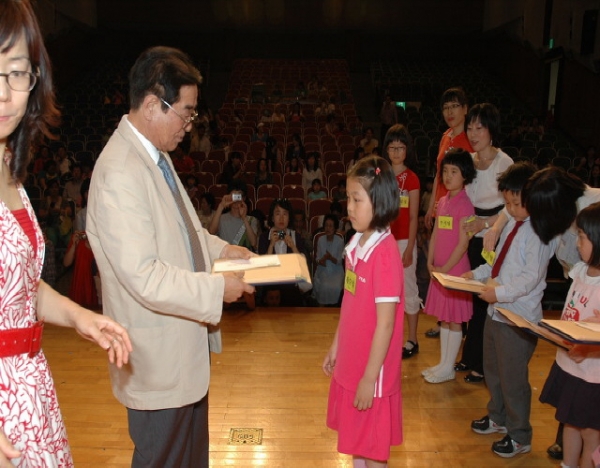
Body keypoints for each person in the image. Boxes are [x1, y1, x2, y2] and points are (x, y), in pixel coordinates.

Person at [86, 46, 254, 468]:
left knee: (190, 459)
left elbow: (184, 232)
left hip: (181, 348)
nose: (189, 125)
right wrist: (217, 289)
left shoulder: (155, 155)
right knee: (163, 458)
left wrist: (223, 250)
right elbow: (144, 276)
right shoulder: (120, 171)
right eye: (186, 113)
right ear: (151, 105)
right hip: (157, 358)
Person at [0, 1, 131, 465]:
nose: (4, 93)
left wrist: (79, 317)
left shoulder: (11, 172)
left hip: (28, 388)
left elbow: (16, 290)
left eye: (17, 72)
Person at [484, 166, 600, 460]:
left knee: (589, 402)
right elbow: (512, 209)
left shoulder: (590, 212)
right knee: (575, 390)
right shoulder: (555, 203)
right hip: (580, 293)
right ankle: (569, 445)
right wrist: (495, 227)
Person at [466, 162, 557, 458]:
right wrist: (476, 274)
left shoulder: (539, 232)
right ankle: (498, 417)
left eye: (516, 204)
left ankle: (519, 435)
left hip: (518, 318)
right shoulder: (512, 225)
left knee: (513, 379)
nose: (512, 209)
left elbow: (530, 278)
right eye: (507, 204)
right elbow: (498, 263)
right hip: (497, 312)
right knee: (493, 369)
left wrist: (498, 293)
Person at [322, 155, 404, 467]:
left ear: (379, 201)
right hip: (353, 359)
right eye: (348, 198)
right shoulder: (356, 243)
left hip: (373, 370)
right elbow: (349, 302)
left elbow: (386, 325)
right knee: (358, 440)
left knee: (372, 448)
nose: (350, 207)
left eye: (357, 199)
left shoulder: (385, 255)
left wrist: (370, 379)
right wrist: (336, 345)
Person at [539, 202, 600, 468]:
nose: (577, 243)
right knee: (570, 423)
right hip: (569, 363)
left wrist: (588, 347)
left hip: (591, 373)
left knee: (590, 433)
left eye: (583, 238)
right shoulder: (580, 270)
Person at [457, 103, 514, 383]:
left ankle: (481, 364)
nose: (473, 133)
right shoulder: (468, 160)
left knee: (486, 299)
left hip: (494, 237)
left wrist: (485, 224)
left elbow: (510, 207)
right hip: (470, 236)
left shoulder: (504, 163)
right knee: (471, 297)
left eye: (479, 128)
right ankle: (470, 356)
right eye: (470, 128)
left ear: (491, 130)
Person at [421, 149, 476, 383]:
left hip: (455, 271)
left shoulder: (466, 205)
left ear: (465, 175)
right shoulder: (442, 201)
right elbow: (435, 234)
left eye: (454, 171)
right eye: (445, 171)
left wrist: (444, 270)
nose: (448, 176)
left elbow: (463, 244)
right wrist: (430, 261)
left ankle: (449, 367)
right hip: (440, 270)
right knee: (444, 318)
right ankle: (443, 363)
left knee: (454, 320)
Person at [423, 88, 473, 339]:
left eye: (455, 106)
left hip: (459, 208)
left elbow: (471, 181)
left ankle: (456, 323)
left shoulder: (469, 140)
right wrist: (432, 205)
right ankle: (443, 317)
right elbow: (438, 175)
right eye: (446, 108)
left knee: (455, 260)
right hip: (442, 205)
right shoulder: (445, 137)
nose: (450, 112)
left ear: (465, 109)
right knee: (439, 252)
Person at [384, 125, 421, 359]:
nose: (396, 152)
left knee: (408, 289)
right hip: (384, 241)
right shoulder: (381, 175)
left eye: (401, 147)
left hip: (405, 241)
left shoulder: (412, 178)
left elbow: (414, 216)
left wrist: (409, 248)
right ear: (386, 150)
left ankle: (413, 339)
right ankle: (389, 337)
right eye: (392, 147)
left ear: (407, 150)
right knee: (387, 291)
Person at [257, 198, 309, 306]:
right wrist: (271, 245)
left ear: (289, 218)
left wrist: (293, 246)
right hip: (270, 288)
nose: (281, 218)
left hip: (290, 287)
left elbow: (302, 265)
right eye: (278, 214)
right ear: (272, 217)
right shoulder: (264, 237)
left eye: (285, 214)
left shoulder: (296, 236)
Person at [312, 214, 345, 306]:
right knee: (324, 286)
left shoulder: (340, 241)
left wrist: (330, 257)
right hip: (323, 270)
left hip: (336, 270)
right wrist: (323, 259)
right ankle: (321, 307)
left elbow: (339, 261)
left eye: (331, 226)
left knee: (337, 287)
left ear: (335, 228)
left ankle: (336, 307)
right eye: (326, 225)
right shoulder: (320, 240)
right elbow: (318, 259)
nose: (328, 228)